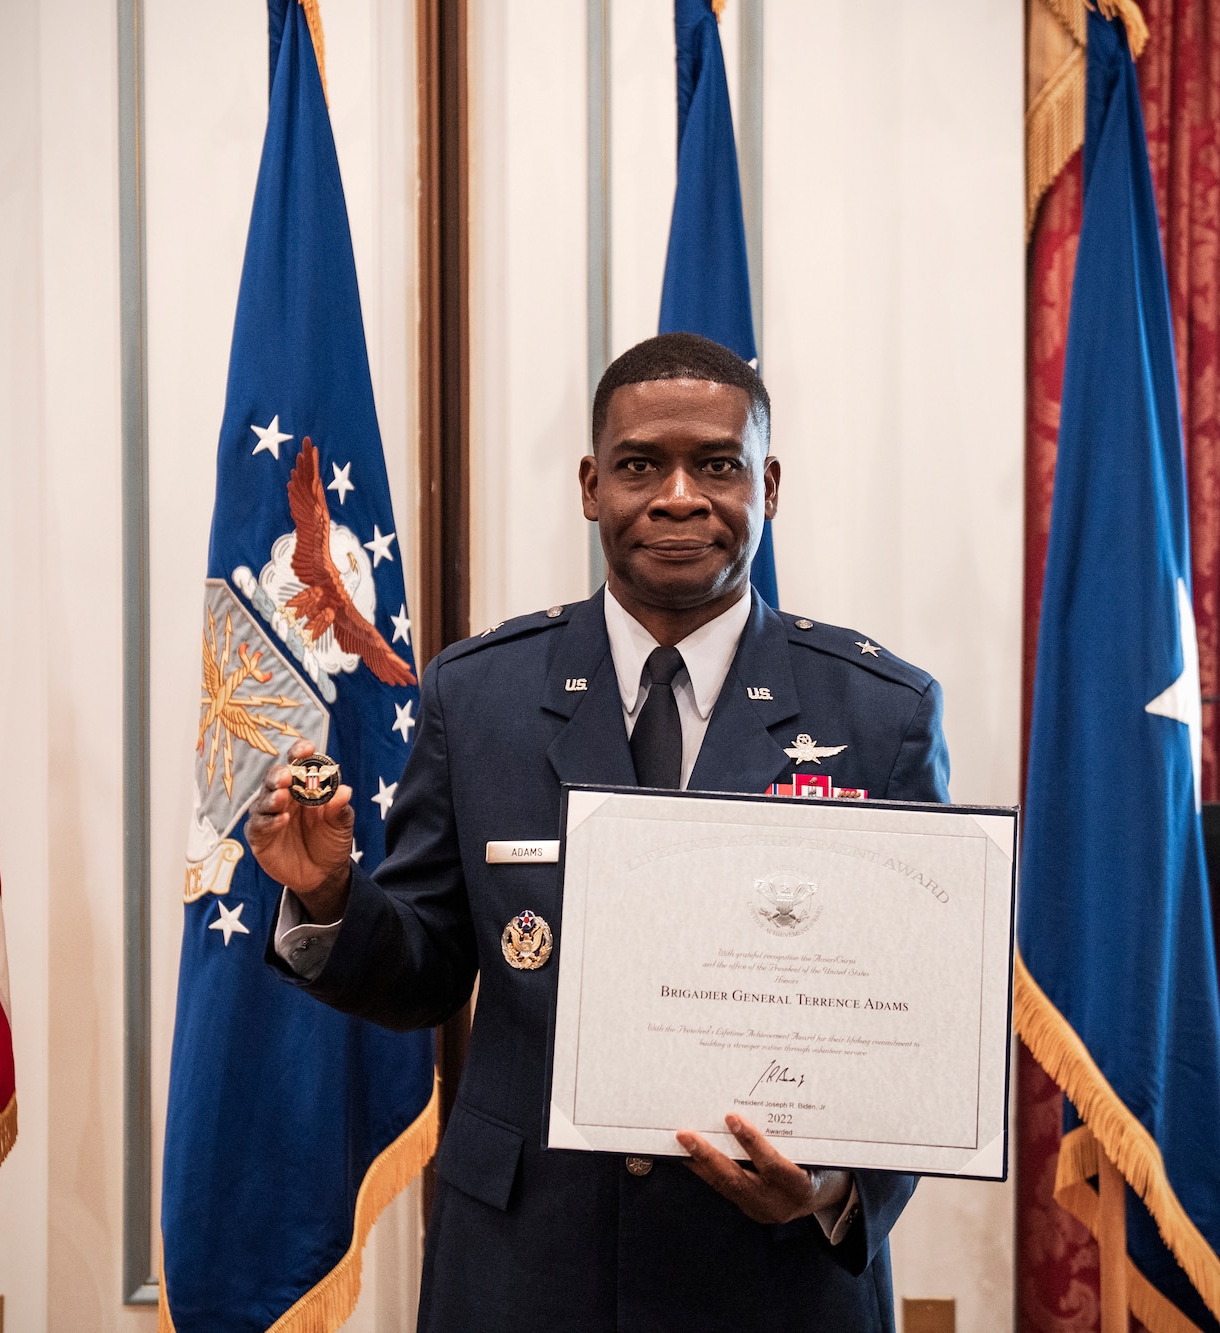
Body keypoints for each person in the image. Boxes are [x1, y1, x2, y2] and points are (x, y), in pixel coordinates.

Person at [251, 332, 950, 1332]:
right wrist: (328, 895)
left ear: (769, 484)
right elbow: (427, 972)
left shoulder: (878, 714)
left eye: (716, 464)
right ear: (590, 485)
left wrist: (834, 1188)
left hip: (771, 1274)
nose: (677, 495)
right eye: (638, 465)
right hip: (523, 1267)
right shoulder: (478, 693)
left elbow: (919, 1018)